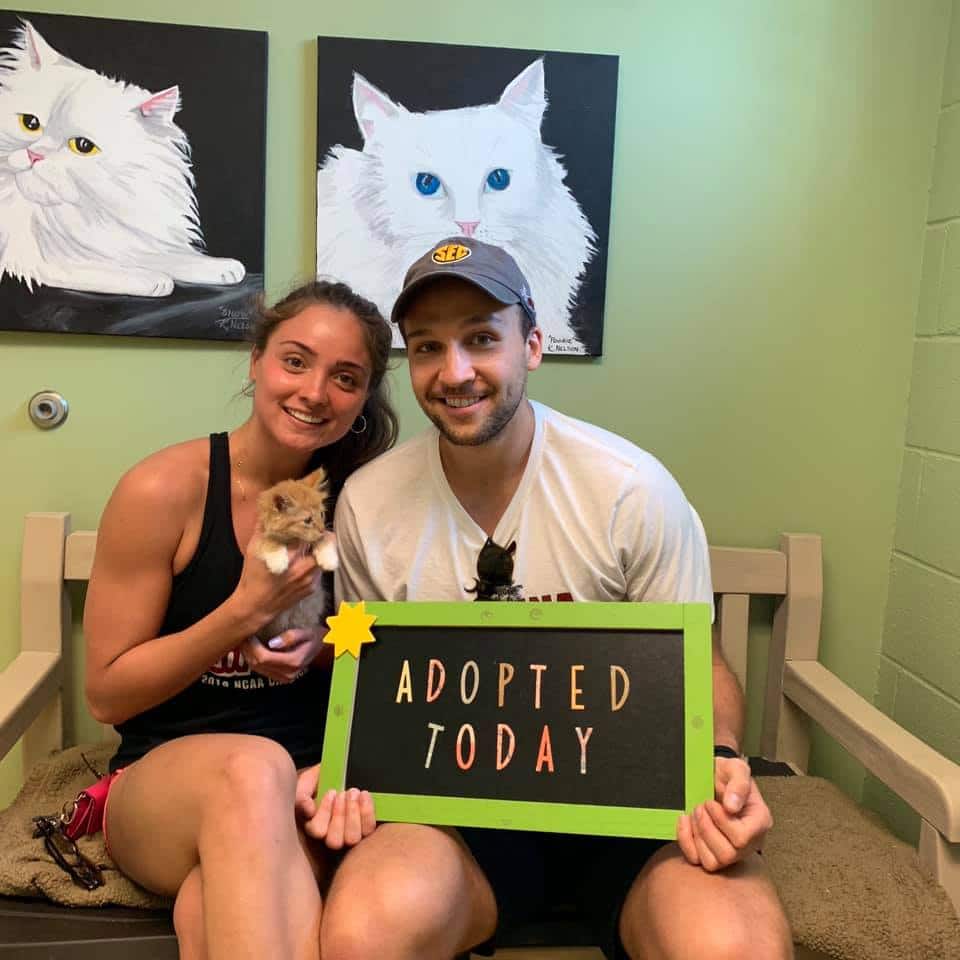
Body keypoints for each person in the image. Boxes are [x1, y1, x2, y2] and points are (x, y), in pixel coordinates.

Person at [325, 238, 793, 959]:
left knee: (734, 950)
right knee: (364, 933)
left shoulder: (629, 489)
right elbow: (365, 679)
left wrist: (721, 757)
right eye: (427, 347)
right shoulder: (369, 502)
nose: (455, 372)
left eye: (482, 339)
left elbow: (700, 663)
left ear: (533, 345)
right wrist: (347, 773)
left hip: (636, 818)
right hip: (457, 822)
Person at [83, 280, 397, 960]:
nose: (315, 392)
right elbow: (107, 694)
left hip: (313, 789)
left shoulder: (369, 499)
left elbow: (383, 643)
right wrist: (241, 615)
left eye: (346, 378)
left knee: (212, 906)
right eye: (295, 361)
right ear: (256, 361)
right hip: (162, 788)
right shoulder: (165, 490)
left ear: (363, 399)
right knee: (254, 768)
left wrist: (322, 645)